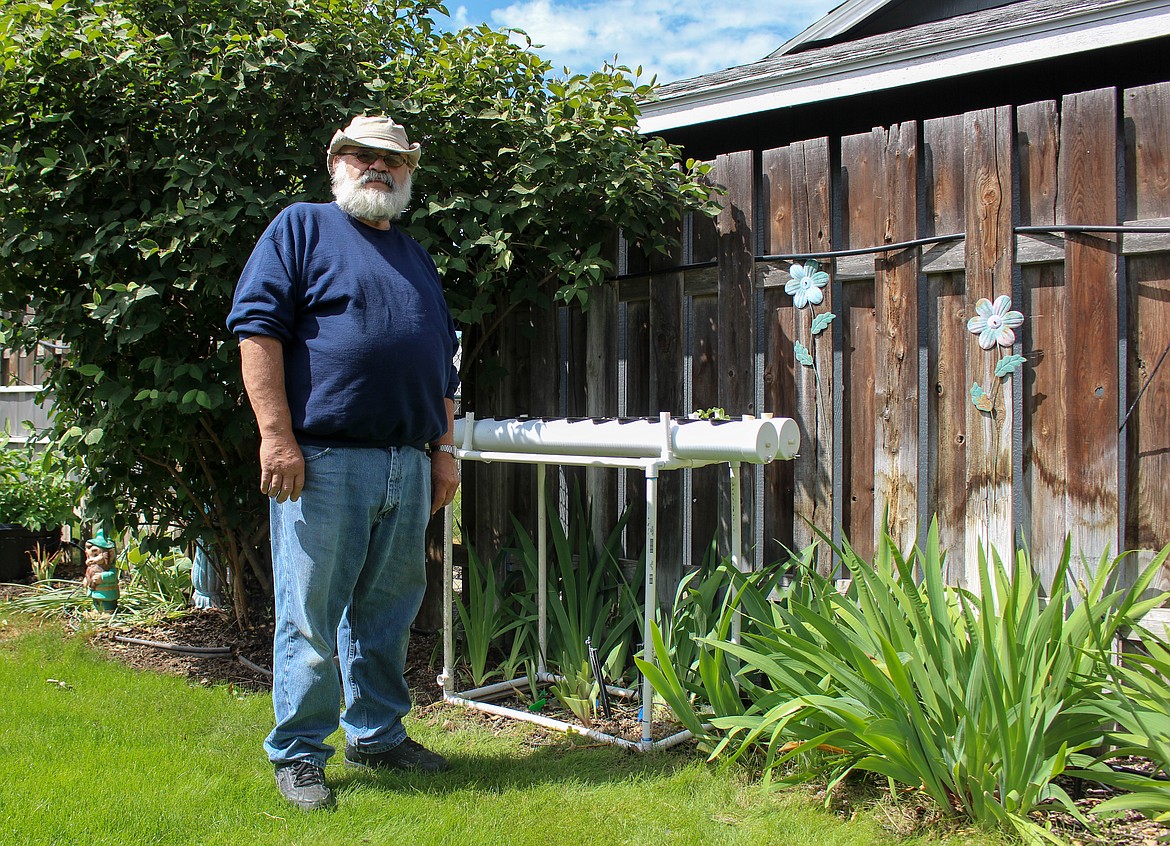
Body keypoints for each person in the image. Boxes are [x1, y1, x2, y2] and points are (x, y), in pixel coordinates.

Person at [227, 115, 461, 811]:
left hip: (408, 463)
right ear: (337, 161)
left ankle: (379, 734)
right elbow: (257, 330)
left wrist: (443, 453)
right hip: (324, 462)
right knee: (311, 615)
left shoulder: (416, 255)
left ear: (409, 172)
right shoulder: (301, 227)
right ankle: (299, 753)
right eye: (364, 155)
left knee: (388, 613)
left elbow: (442, 363)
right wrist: (276, 436)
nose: (378, 168)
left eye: (393, 160)